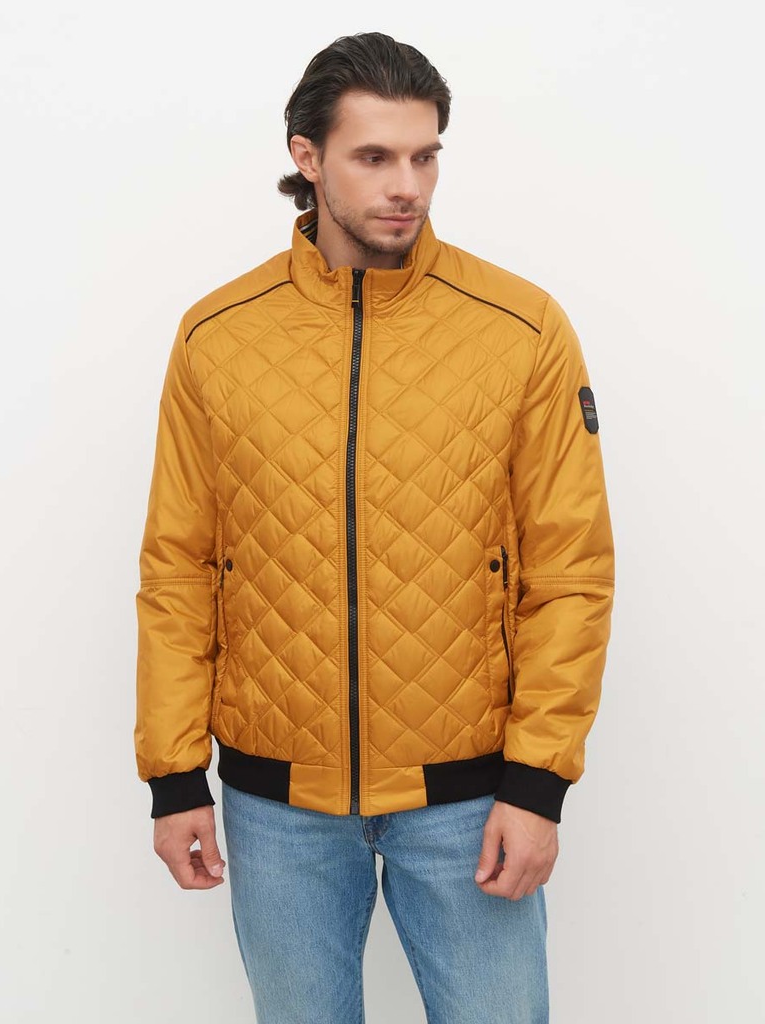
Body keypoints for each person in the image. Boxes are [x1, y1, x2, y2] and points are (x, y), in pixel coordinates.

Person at [134, 31, 615, 1024]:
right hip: (277, 808)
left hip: (469, 800)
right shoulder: (218, 337)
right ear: (306, 157)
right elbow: (179, 565)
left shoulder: (519, 329)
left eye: (426, 155)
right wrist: (174, 776)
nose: (408, 186)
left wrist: (537, 783)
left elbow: (571, 571)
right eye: (375, 156)